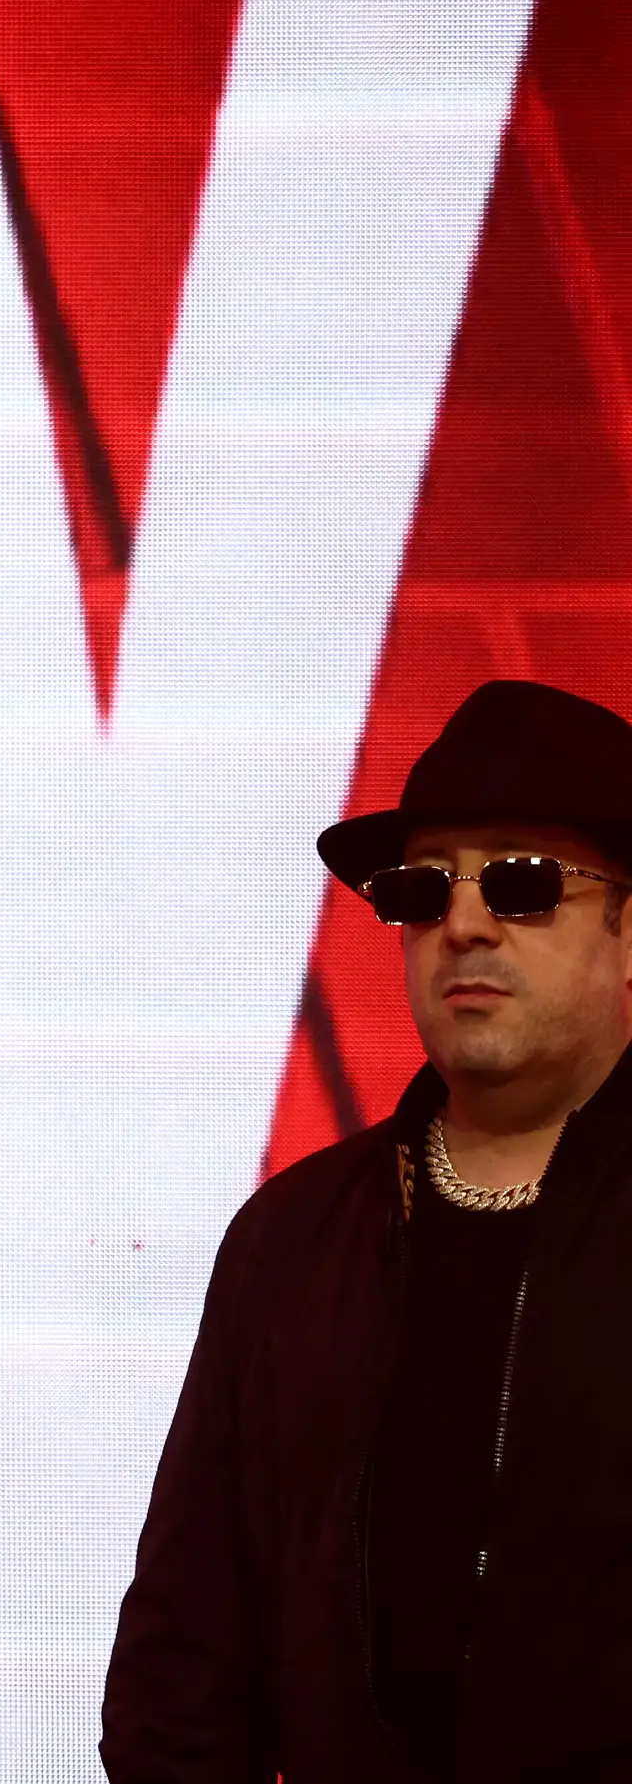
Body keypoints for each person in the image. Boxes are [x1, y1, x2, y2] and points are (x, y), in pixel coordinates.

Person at [104, 678, 632, 1781]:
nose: (466, 920)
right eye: (423, 888)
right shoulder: (292, 1240)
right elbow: (183, 1664)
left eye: (524, 881)